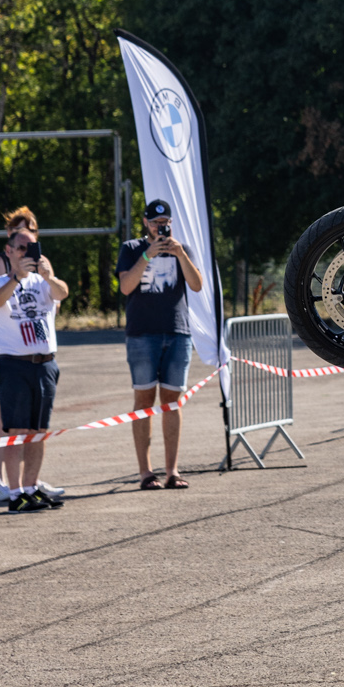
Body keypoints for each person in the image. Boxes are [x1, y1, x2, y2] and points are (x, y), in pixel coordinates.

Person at [0, 206, 70, 513]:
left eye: (31, 247)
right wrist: (16, 276)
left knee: (37, 431)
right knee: (15, 432)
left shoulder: (42, 281)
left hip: (45, 362)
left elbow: (62, 293)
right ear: (8, 250)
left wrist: (48, 275)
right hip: (14, 364)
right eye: (21, 248)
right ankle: (15, 492)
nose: (26, 252)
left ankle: (32, 487)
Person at [116, 199, 205, 489]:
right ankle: (145, 472)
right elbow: (126, 286)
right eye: (155, 222)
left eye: (164, 222)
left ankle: (172, 471)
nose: (160, 227)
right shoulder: (131, 249)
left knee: (172, 402)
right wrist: (147, 255)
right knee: (143, 401)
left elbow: (197, 284)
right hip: (142, 335)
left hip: (177, 333)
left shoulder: (182, 249)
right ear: (145, 223)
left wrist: (179, 253)